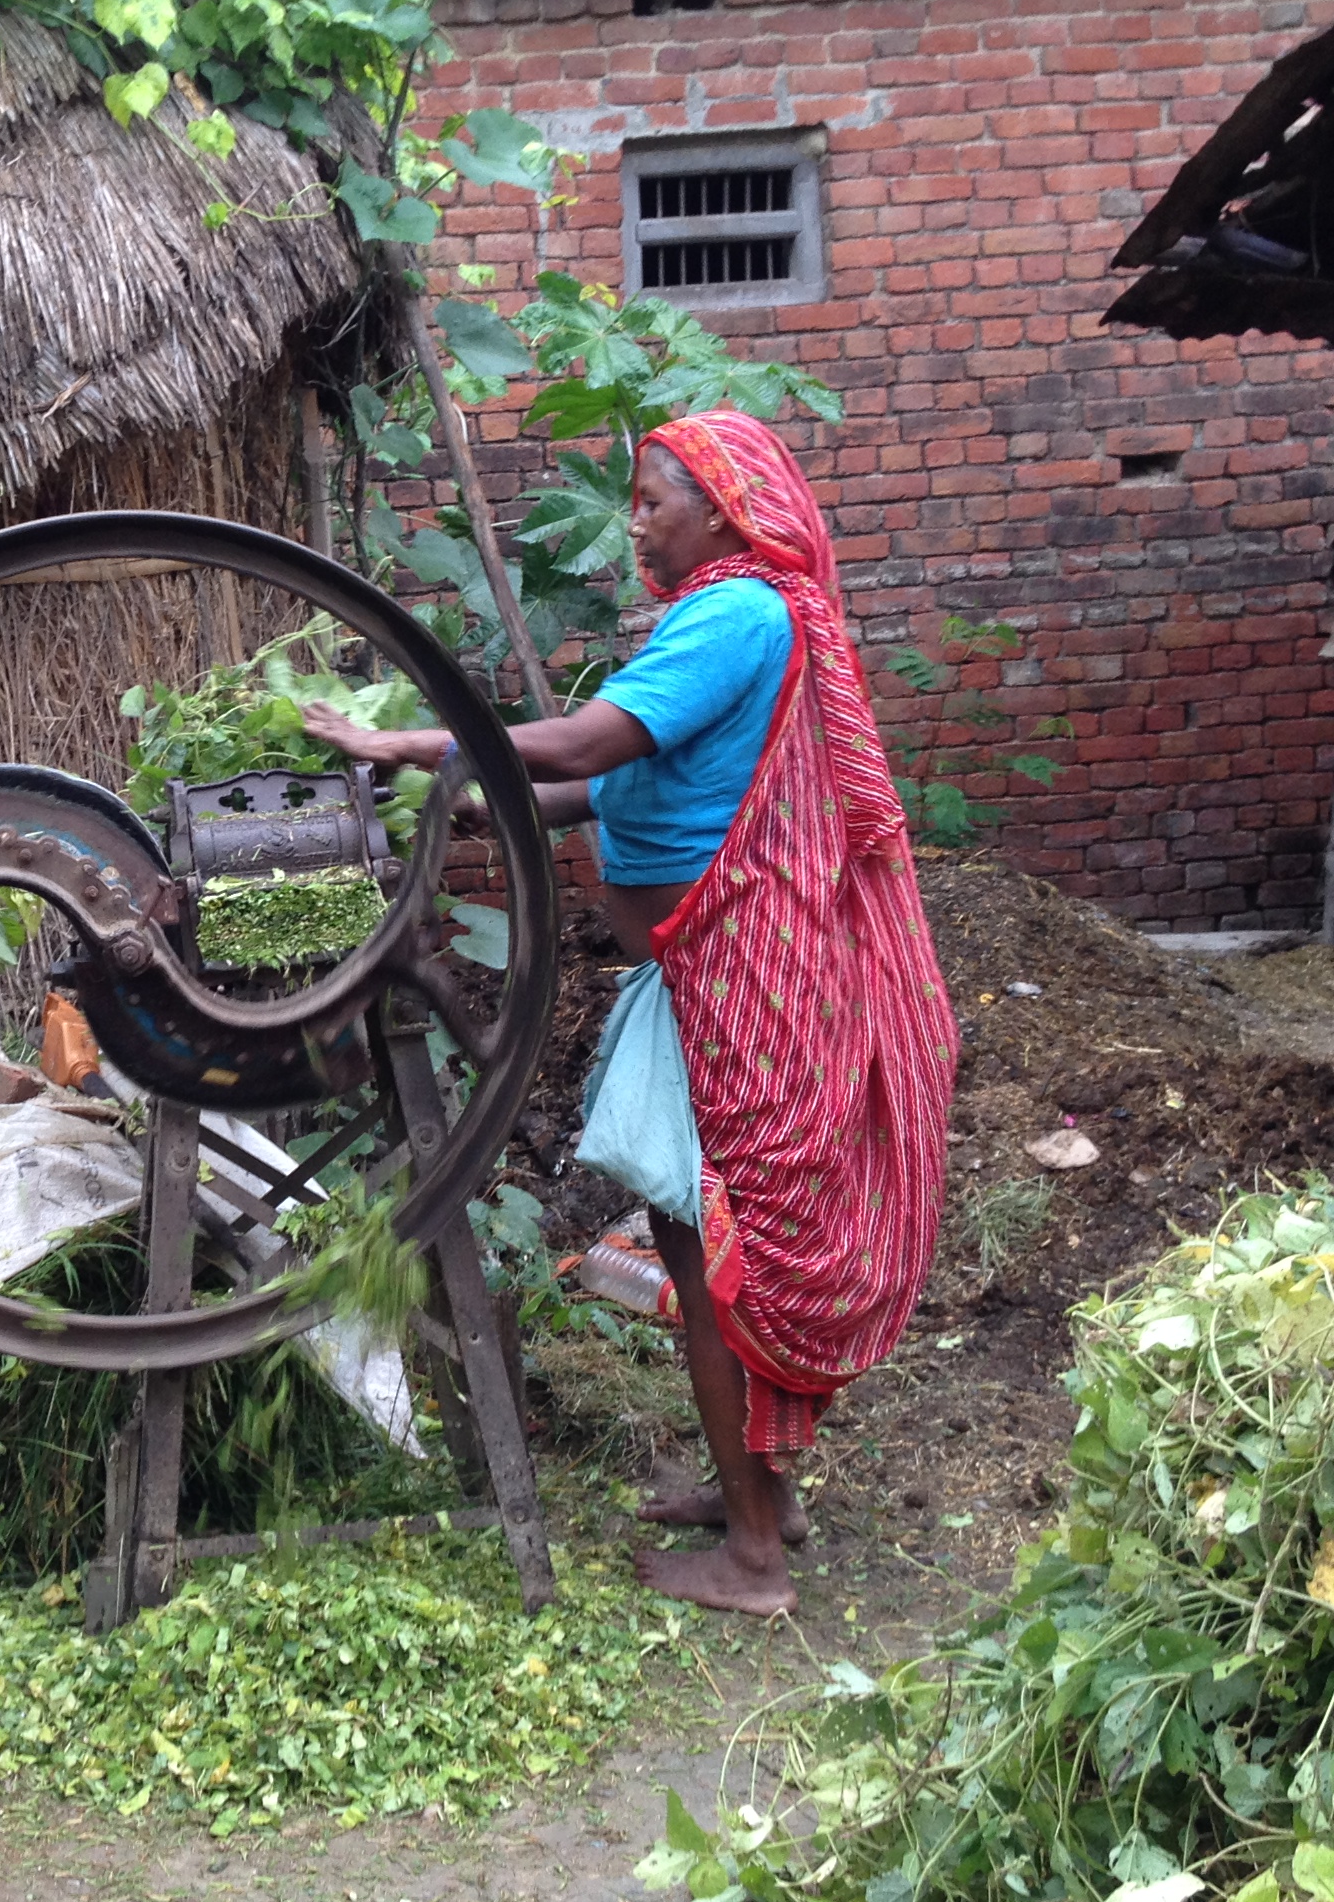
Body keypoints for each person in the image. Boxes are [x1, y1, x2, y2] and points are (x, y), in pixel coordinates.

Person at [306, 411, 955, 1617]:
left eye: (653, 498)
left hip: (748, 978)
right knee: (682, 1231)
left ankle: (755, 1558)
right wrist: (463, 797)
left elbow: (591, 738)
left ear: (717, 508)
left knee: (723, 1255)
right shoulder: (723, 620)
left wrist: (405, 739)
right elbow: (607, 782)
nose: (636, 520)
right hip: (706, 972)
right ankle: (758, 1490)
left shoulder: (741, 612)